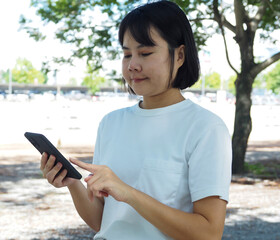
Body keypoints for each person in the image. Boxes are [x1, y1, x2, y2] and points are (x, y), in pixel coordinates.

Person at [40, 1, 232, 239]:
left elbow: (209, 233)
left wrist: (128, 193)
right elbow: (103, 221)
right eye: (126, 54)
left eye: (145, 53)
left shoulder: (206, 128)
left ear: (180, 55)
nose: (132, 65)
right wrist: (72, 184)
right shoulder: (111, 123)